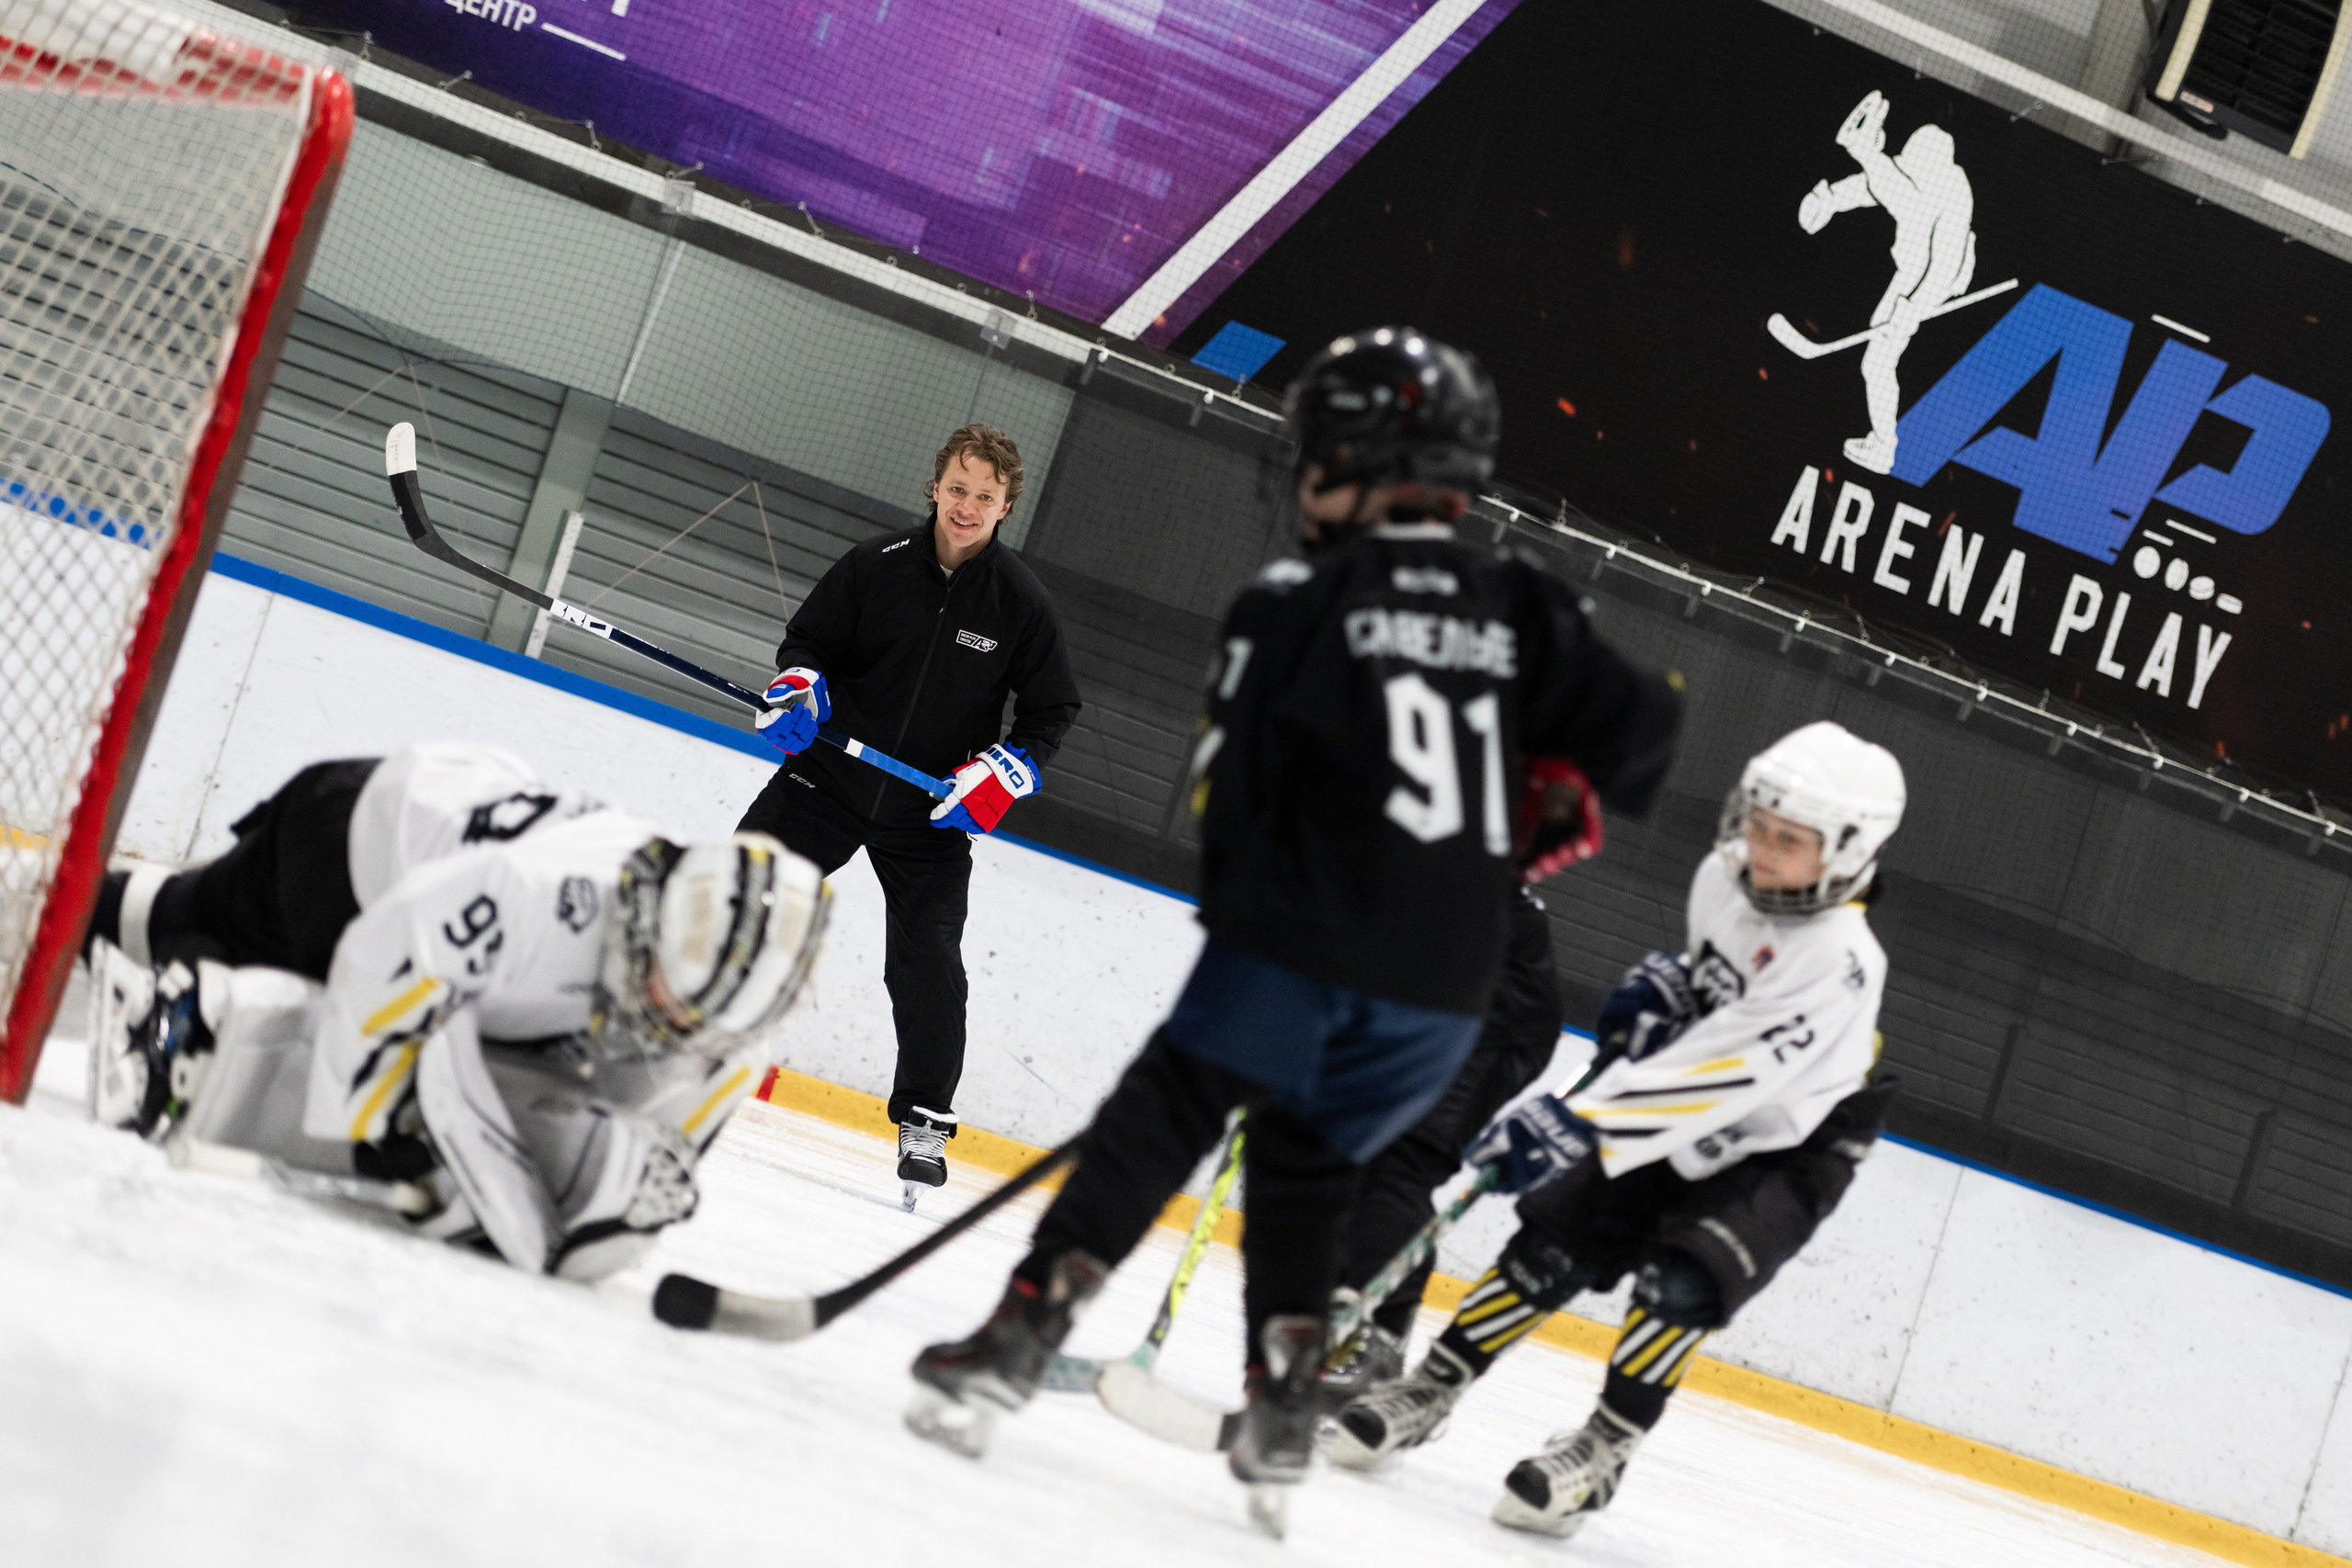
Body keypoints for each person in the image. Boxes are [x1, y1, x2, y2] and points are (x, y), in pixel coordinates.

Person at [899, 328, 1682, 1535]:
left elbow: (1234, 799)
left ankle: (1016, 1335)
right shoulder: (1523, 602)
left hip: (1312, 936)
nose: (1303, 475)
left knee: (1159, 1117)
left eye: (1320, 452)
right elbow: (1641, 739)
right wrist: (1551, 797)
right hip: (1450, 988)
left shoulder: (1298, 597)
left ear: (1362, 464)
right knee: (1310, 1168)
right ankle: (1281, 1404)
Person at [1327, 721, 1906, 1541]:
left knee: (1680, 1284)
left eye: (1790, 840)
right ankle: (1433, 1386)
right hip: (1676, 1104)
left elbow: (1726, 1074)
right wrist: (1670, 992)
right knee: (1550, 1243)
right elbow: (1712, 1005)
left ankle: (1604, 1448)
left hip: (1788, 1143)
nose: (1762, 850)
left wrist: (1577, 1118)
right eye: (1758, 824)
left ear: (1848, 851)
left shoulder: (1842, 960)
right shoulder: (1722, 877)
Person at [80, 743, 830, 1280]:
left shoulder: (723, 1020)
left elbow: (647, 1157)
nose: (678, 1025)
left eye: (703, 1016)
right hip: (357, 838)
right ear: (651, 914)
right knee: (206, 951)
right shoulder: (545, 898)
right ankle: (165, 984)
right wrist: (379, 1134)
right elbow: (382, 961)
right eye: (668, 987)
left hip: (448, 860)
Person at [737, 423, 1080, 1204]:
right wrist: (798, 685)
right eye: (957, 489)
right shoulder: (874, 566)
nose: (967, 506)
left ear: (1006, 507)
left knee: (928, 965)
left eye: (985, 497)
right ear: (935, 487)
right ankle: (663, 1022)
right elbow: (807, 642)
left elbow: (1053, 708)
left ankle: (924, 1115)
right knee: (735, 897)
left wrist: (1010, 767)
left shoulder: (1021, 603)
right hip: (825, 780)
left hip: (929, 814)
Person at [1797, 89, 1975, 476]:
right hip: (1910, 268)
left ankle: (1883, 447)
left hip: (1931, 278)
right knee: (1876, 363)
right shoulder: (1907, 175)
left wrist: (1913, 309)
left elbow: (1944, 265)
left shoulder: (1955, 192)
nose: (1906, 176)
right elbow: (1873, 188)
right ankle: (1882, 443)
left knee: (1878, 360)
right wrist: (1830, 198)